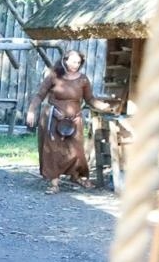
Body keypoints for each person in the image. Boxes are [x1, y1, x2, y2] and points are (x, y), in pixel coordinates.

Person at [26, 50, 109, 193]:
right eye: (73, 61)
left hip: (74, 119)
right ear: (65, 60)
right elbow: (40, 95)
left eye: (78, 62)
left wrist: (104, 106)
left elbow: (89, 99)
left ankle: (77, 176)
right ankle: (54, 182)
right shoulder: (54, 76)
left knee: (76, 150)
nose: (75, 65)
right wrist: (31, 110)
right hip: (54, 118)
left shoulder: (83, 80)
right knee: (53, 150)